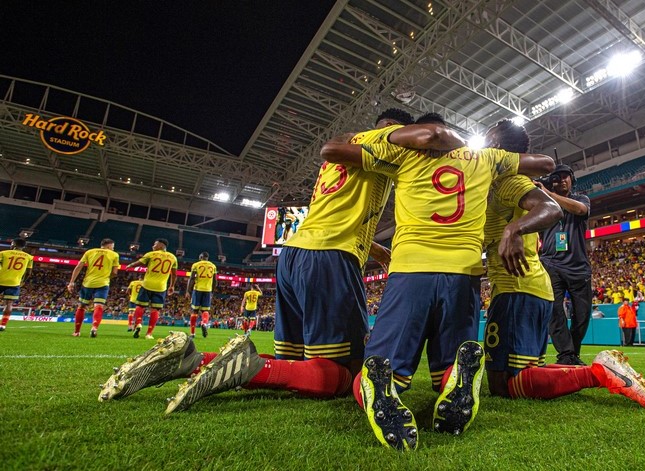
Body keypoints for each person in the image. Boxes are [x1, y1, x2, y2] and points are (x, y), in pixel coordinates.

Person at [98, 110, 466, 417]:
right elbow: (426, 137)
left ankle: (189, 359)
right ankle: (245, 367)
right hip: (330, 258)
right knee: (345, 374)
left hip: (295, 254)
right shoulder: (380, 142)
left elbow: (337, 207)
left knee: (295, 361)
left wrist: (375, 250)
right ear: (390, 129)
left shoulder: (352, 149)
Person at [321, 117, 555, 450]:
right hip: (464, 276)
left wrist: (386, 136)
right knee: (448, 366)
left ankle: (378, 388)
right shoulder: (487, 159)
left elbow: (332, 152)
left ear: (418, 135)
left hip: (411, 271)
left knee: (378, 369)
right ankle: (457, 378)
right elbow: (544, 163)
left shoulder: (402, 156)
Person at [480, 121, 645, 409]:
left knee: (505, 387)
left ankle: (597, 374)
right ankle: (592, 372)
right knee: (514, 377)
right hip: (527, 287)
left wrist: (515, 230)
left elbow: (551, 209)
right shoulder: (497, 184)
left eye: (488, 141)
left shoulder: (509, 181)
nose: (483, 148)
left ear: (498, 148)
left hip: (517, 288)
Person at [537, 164, 592, 365]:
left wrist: (549, 194)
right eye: (556, 178)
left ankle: (572, 352)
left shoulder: (581, 199)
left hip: (578, 266)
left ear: (572, 179)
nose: (560, 180)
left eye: (564, 177)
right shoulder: (544, 203)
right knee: (555, 312)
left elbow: (579, 210)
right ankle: (566, 355)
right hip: (551, 263)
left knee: (582, 315)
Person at [124, 238, 178, 340]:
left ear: (161, 246)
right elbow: (174, 274)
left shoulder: (151, 254)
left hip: (147, 284)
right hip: (161, 287)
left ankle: (138, 323)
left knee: (140, 306)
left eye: (155, 244)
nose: (153, 246)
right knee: (155, 310)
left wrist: (130, 265)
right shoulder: (173, 257)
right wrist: (172, 286)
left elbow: (139, 262)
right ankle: (149, 334)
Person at [66, 238, 120, 338]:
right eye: (112, 247)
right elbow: (114, 272)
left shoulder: (89, 252)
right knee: (98, 306)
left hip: (88, 283)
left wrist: (71, 282)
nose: (113, 249)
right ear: (108, 246)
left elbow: (78, 267)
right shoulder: (114, 255)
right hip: (103, 284)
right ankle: (94, 328)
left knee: (81, 307)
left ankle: (77, 332)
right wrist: (107, 277)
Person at [0, 238, 33, 332]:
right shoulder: (29, 257)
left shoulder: (3, 253)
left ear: (13, 244)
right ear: (24, 247)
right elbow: (28, 273)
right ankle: (2, 325)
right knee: (9, 303)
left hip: (1, 279)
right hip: (14, 282)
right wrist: (23, 281)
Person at [185, 252, 216, 338]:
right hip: (208, 290)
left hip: (198, 289)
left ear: (201, 257)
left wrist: (188, 291)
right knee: (205, 311)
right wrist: (212, 292)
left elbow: (192, 278)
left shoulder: (196, 265)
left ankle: (192, 333)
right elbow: (215, 281)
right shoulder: (213, 266)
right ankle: (204, 323)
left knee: (194, 311)